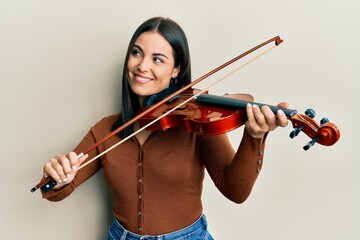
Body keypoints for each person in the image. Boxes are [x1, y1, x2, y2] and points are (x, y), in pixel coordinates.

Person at [41, 16, 289, 240]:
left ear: (176, 70)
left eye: (157, 59)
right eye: (137, 53)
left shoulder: (196, 121)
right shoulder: (106, 129)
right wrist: (57, 177)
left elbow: (235, 191)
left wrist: (254, 136)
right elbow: (56, 190)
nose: (142, 66)